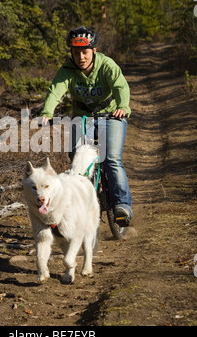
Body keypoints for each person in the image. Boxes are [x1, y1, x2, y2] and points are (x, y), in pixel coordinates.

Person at [41, 26, 132, 227]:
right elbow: (56, 91)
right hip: (83, 117)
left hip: (111, 115)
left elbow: (120, 86)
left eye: (85, 52)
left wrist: (123, 107)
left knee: (112, 159)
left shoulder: (107, 65)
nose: (81, 57)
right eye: (76, 53)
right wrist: (47, 113)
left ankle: (122, 206)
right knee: (76, 158)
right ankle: (80, 205)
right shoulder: (67, 70)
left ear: (94, 51)